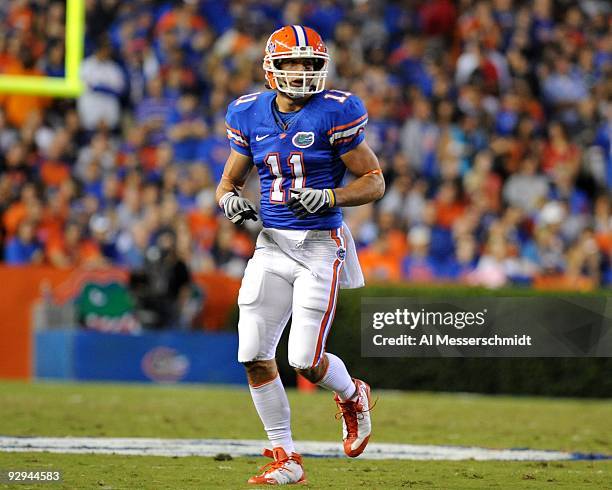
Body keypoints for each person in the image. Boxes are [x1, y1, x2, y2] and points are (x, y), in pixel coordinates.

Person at [215, 25, 385, 485]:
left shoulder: (336, 112)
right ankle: (285, 457)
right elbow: (228, 182)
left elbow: (374, 180)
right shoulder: (248, 113)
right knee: (252, 353)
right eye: (292, 62)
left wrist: (330, 197)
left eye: (309, 64)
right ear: (272, 67)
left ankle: (353, 394)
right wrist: (229, 199)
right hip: (271, 245)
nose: (302, 72)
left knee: (306, 360)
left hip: (318, 247)